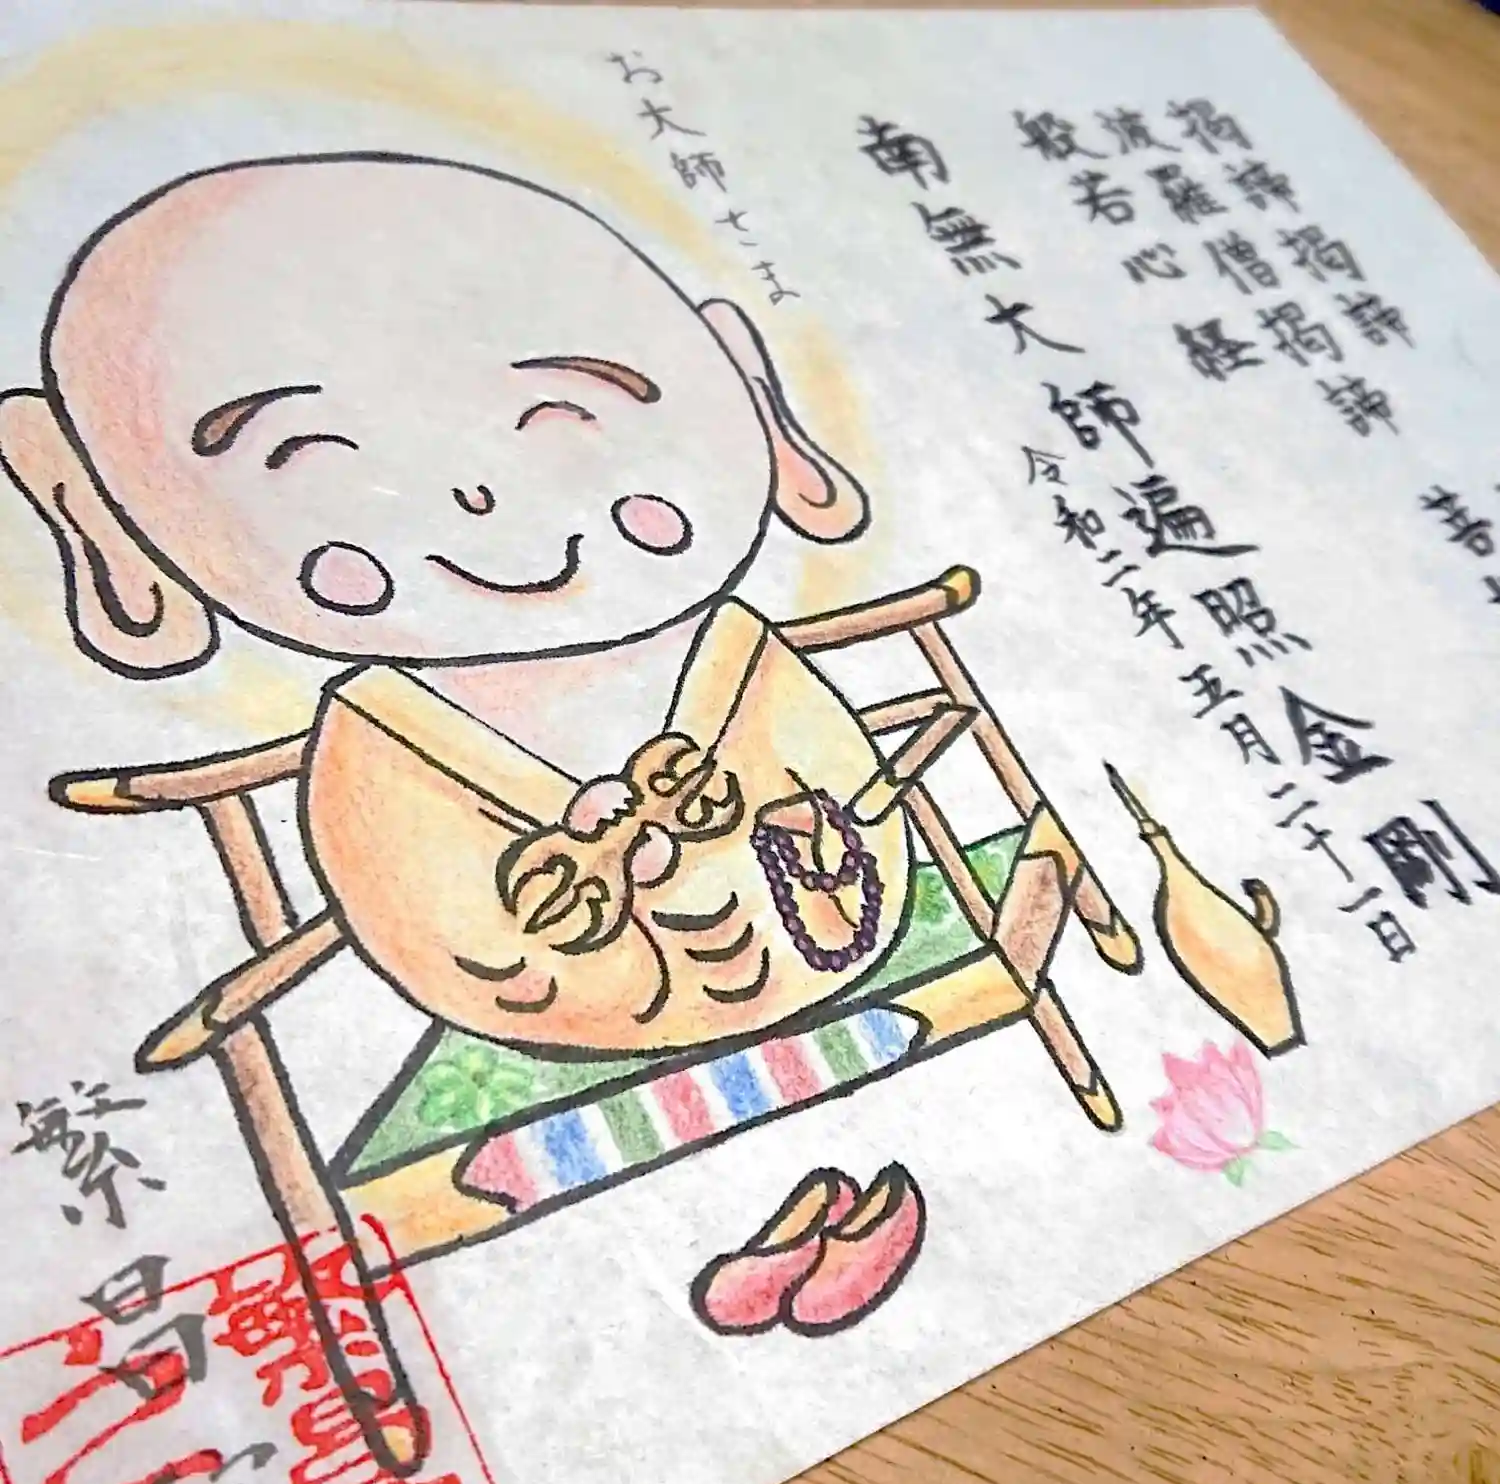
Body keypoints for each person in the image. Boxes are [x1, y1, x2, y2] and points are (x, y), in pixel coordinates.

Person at [0, 151, 913, 1052]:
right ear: (96, 509)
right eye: (316, 460)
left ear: (746, 388)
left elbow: (857, 822)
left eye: (566, 419)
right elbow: (471, 953)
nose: (478, 495)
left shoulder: (741, 664)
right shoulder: (387, 746)